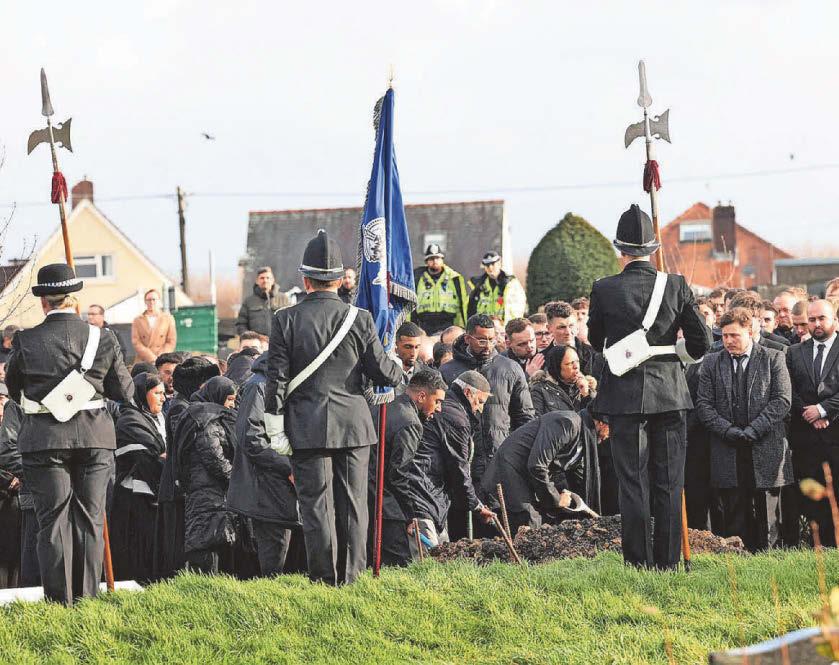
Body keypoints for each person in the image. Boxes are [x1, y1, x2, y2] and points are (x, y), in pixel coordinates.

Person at [264, 230, 402, 586]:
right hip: (354, 424)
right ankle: (352, 578)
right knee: (355, 505)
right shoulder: (360, 319)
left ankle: (324, 580)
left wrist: (274, 427)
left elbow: (276, 380)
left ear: (305, 279)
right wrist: (396, 364)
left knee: (316, 507)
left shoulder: (284, 320)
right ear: (340, 280)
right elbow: (384, 373)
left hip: (305, 424)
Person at [588, 205, 711, 570]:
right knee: (669, 484)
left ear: (620, 250)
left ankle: (639, 562)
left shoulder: (604, 288)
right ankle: (668, 563)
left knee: (633, 484)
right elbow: (702, 341)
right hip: (671, 395)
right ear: (653, 249)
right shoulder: (675, 285)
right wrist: (674, 353)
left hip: (624, 397)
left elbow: (596, 340)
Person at [5, 263, 134, 604]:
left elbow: (15, 388)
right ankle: (88, 600)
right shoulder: (103, 337)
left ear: (44, 301)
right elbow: (124, 391)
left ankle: (60, 603)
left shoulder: (25, 339)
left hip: (44, 440)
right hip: (95, 439)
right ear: (74, 298)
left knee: (53, 522)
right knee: (91, 519)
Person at [696, 308, 793, 552]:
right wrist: (728, 431)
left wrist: (753, 430)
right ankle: (738, 563)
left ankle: (769, 564)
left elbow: (782, 401)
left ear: (750, 332)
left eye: (734, 335)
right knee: (734, 513)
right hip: (727, 449)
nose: (728, 341)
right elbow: (704, 404)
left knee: (768, 516)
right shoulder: (712, 361)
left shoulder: (773, 358)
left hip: (765, 449)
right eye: (724, 335)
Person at [440, 314, 535, 490]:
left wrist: (517, 454)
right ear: (468, 338)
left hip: (501, 459)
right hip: (461, 462)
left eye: (491, 339)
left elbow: (525, 417)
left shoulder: (510, 368)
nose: (488, 345)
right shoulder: (446, 371)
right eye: (482, 340)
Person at [228, 352, 300, 577]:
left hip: (281, 485)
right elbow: (252, 438)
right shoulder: (258, 386)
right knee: (273, 557)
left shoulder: (281, 385)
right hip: (266, 487)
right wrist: (289, 467)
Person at [481, 410, 604, 535]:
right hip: (511, 470)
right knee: (530, 524)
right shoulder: (568, 423)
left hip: (528, 477)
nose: (610, 435)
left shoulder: (583, 440)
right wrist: (556, 499)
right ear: (601, 423)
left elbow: (578, 476)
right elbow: (537, 465)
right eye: (611, 429)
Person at [369, 369, 447, 566]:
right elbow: (398, 474)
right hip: (387, 506)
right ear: (421, 396)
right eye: (437, 401)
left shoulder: (385, 407)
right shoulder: (410, 423)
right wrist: (410, 514)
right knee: (398, 564)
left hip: (367, 498)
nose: (438, 409)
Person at [408, 370, 495, 544]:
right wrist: (476, 506)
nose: (480, 409)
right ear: (468, 393)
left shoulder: (445, 406)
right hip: (425, 492)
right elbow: (459, 468)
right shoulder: (456, 419)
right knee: (428, 559)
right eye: (480, 402)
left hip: (426, 490)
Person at [154, 356, 220, 579]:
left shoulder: (190, 405)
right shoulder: (180, 408)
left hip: (187, 488)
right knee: (178, 548)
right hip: (177, 489)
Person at [787, 299, 839, 546]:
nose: (816, 324)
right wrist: (808, 413)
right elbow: (789, 390)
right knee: (813, 501)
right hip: (807, 442)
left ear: (834, 320)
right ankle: (818, 547)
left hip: (836, 437)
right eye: (812, 319)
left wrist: (822, 410)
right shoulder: (795, 352)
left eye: (822, 319)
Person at [176, 376, 238, 574]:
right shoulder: (205, 419)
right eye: (229, 399)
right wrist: (236, 478)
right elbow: (214, 457)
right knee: (206, 539)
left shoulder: (209, 415)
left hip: (211, 491)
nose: (232, 404)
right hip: (206, 491)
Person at [111, 372, 167, 582]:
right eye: (157, 393)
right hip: (133, 501)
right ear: (143, 394)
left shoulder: (154, 419)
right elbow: (154, 454)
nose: (163, 398)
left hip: (151, 497)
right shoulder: (130, 420)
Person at [412, 244, 468, 335]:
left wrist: (465, 327)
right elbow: (412, 304)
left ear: (442, 260)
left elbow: (463, 304)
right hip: (424, 325)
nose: (434, 261)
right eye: (431, 259)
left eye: (437, 258)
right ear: (426, 261)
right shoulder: (417, 278)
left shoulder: (454, 278)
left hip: (448, 324)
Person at [529, 345, 597, 416]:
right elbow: (536, 422)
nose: (576, 366)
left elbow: (598, 419)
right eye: (569, 363)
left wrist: (586, 395)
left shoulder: (586, 387)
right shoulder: (539, 390)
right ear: (557, 367)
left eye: (577, 361)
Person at [545, 300, 603, 379]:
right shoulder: (541, 359)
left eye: (571, 326)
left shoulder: (594, 355)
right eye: (562, 327)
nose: (568, 332)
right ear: (549, 329)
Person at [466, 251, 526, 323]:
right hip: (484, 328)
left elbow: (518, 307)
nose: (490, 267)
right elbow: (471, 308)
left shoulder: (511, 284)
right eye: (487, 265)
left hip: (504, 327)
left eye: (493, 264)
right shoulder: (479, 285)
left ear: (499, 264)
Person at [235, 267, 291, 337]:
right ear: (257, 281)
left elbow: (292, 322)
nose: (265, 280)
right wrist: (250, 338)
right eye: (262, 278)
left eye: (268, 278)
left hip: (280, 344)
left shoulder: (284, 299)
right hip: (257, 345)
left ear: (273, 280)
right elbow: (241, 324)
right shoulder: (249, 301)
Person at [131, 289, 177, 363]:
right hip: (143, 360)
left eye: (154, 299)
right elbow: (136, 342)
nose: (151, 302)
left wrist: (160, 357)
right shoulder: (137, 320)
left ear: (159, 300)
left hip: (163, 360)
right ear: (145, 301)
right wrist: (150, 357)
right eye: (149, 300)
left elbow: (171, 341)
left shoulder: (168, 318)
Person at [393, 322, 429, 392]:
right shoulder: (384, 374)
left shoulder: (430, 376)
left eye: (417, 347)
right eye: (408, 347)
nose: (413, 353)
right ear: (396, 346)